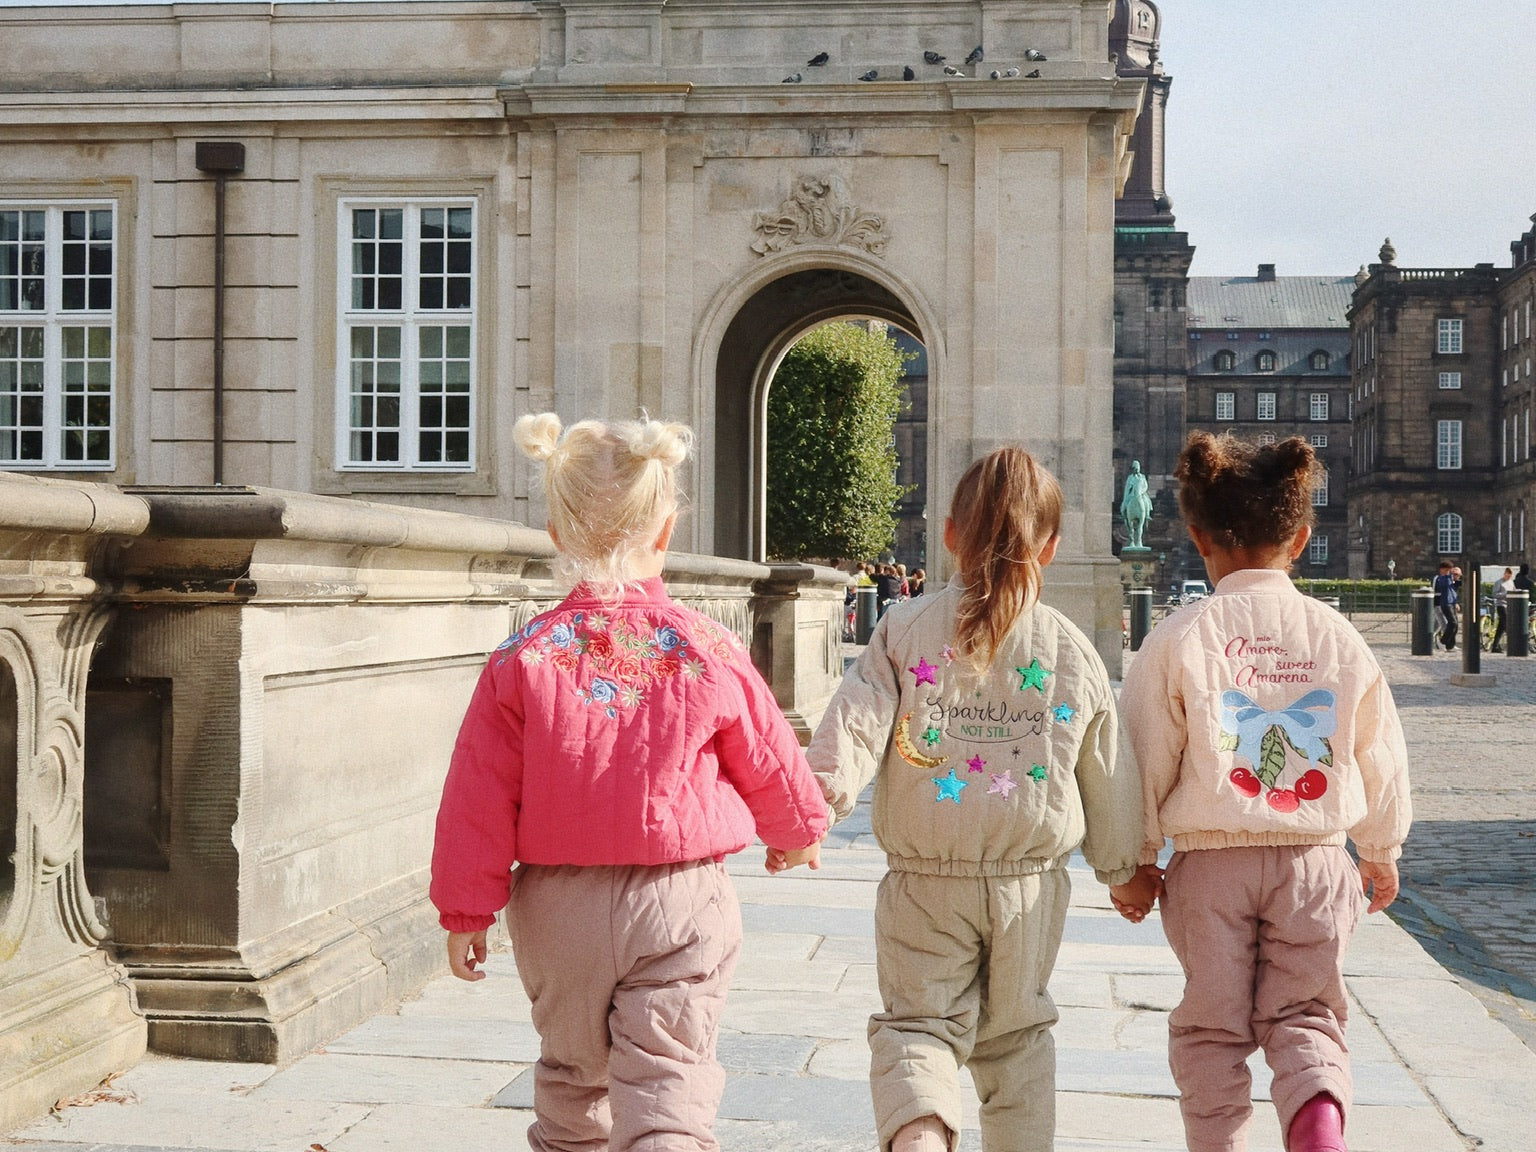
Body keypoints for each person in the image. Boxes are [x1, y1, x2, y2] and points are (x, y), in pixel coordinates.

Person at [431, 412, 829, 1152]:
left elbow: (477, 798)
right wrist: (796, 833)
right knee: (669, 1079)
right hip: (679, 902)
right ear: (667, 529)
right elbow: (767, 751)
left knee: (573, 1078)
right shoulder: (706, 644)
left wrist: (466, 912)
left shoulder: (522, 656)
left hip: (557, 909)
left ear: (554, 532)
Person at [776, 445, 1147, 1152]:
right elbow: (1107, 775)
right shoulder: (1072, 651)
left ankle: (919, 1138)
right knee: (1017, 1045)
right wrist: (1125, 869)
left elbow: (852, 725)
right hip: (1029, 891)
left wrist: (812, 812)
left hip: (924, 883)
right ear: (1053, 549)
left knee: (918, 1028)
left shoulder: (903, 629)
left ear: (948, 534)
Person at [1120, 432, 1412, 1152]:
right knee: (1307, 1013)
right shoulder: (1339, 634)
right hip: (1315, 860)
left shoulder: (1180, 633)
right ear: (1302, 538)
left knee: (1210, 1025)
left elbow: (1141, 756)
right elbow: (1379, 751)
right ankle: (1316, 1128)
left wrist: (1132, 857)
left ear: (1197, 538)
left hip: (1210, 866)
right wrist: (1379, 848)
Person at [1432, 561, 1458, 651]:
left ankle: (1450, 644)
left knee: (1449, 624)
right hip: (1438, 604)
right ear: (1442, 570)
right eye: (1447, 570)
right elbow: (1434, 590)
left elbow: (1452, 590)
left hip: (1446, 603)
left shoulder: (1450, 578)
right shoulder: (1438, 578)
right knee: (1443, 624)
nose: (1448, 572)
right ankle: (1443, 642)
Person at [1491, 567, 1514, 652]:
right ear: (1504, 574)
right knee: (1506, 624)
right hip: (1501, 605)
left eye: (1510, 576)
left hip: (1509, 606)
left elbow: (1514, 591)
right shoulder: (1499, 582)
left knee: (1501, 627)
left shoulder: (1511, 582)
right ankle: (1513, 643)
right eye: (1507, 575)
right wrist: (1504, 594)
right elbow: (1494, 594)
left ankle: (1495, 646)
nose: (1508, 578)